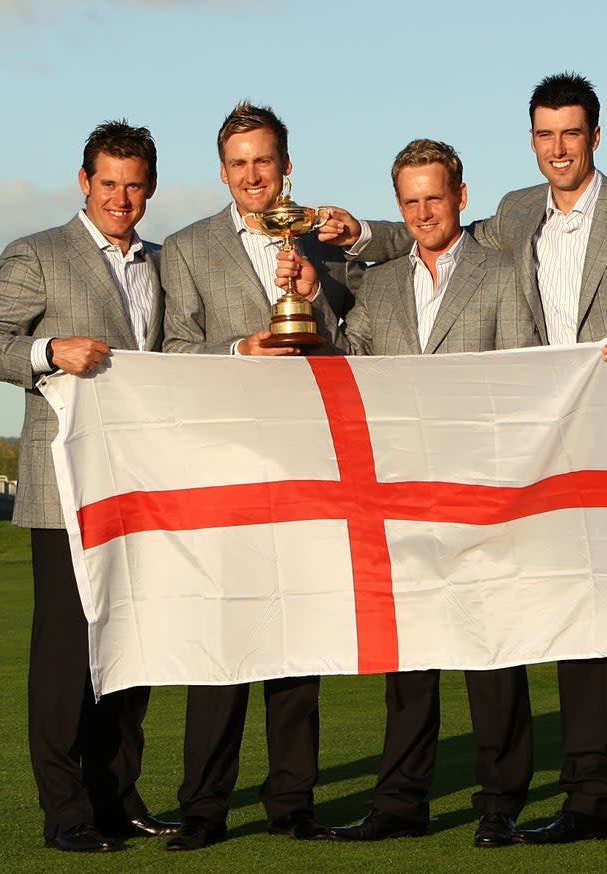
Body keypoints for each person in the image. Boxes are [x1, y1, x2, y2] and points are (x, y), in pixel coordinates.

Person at [337, 72, 607, 851]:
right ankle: (590, 795)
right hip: (563, 458)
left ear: (595, 137)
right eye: (545, 134)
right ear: (532, 139)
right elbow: (431, 231)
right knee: (579, 629)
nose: (558, 148)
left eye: (571, 133)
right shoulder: (512, 214)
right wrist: (363, 236)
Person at [278, 138, 539, 848]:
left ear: (460, 195)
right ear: (399, 205)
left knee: (491, 654)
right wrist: (310, 306)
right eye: (410, 201)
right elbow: (350, 360)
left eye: (435, 197)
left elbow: (517, 377)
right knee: (409, 659)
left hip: (479, 486)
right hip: (399, 490)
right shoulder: (383, 281)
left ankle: (501, 801)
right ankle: (400, 802)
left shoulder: (503, 273)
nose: (424, 211)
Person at [0, 121, 178, 852]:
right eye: (109, 182)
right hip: (62, 485)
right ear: (83, 182)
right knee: (65, 656)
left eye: (135, 183)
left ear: (150, 186)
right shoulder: (39, 254)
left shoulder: (159, 263)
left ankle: (119, 798)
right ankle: (67, 812)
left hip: (137, 487)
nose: (122, 196)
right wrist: (48, 350)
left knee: (129, 647)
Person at [158, 101, 359, 852]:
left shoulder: (323, 240)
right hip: (225, 463)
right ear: (222, 171)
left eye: (264, 160)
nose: (252, 174)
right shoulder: (183, 248)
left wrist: (315, 299)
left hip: (306, 460)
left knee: (296, 636)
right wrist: (240, 349)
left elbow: (353, 342)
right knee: (221, 636)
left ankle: (292, 800)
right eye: (239, 162)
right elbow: (171, 353)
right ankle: (204, 805)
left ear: (286, 166)